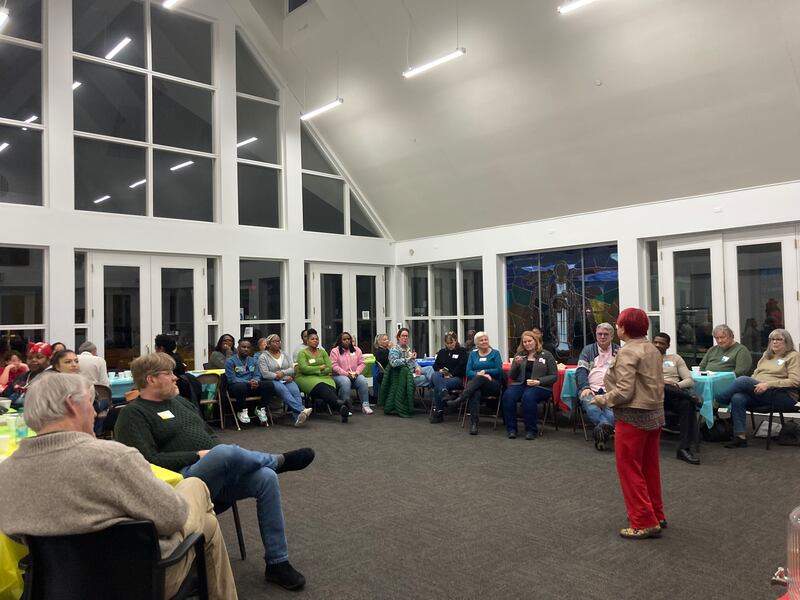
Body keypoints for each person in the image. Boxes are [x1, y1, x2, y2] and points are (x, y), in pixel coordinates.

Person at [0, 372, 237, 599]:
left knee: (204, 517)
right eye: (91, 403)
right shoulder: (113, 459)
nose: (95, 412)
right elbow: (172, 518)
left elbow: (14, 534)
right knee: (197, 495)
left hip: (53, 585)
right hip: (138, 581)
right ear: (72, 405)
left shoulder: (7, 472)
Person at [115, 353, 312, 592]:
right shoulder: (132, 414)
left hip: (215, 474)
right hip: (180, 483)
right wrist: (196, 456)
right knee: (222, 453)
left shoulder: (181, 403)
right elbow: (147, 461)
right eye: (169, 373)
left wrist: (214, 454)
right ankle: (276, 460)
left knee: (265, 478)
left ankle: (277, 562)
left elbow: (209, 435)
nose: (176, 378)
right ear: (151, 379)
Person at [591, 308, 665, 539]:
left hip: (632, 417)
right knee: (649, 468)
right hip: (654, 414)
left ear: (626, 327)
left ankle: (643, 521)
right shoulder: (652, 348)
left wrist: (602, 399)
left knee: (630, 470)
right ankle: (656, 514)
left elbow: (624, 390)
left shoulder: (627, 352)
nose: (617, 326)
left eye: (619, 323)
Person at [714, 328, 800, 448]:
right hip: (760, 392)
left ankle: (718, 400)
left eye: (779, 339)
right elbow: (756, 374)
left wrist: (768, 384)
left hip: (782, 395)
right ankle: (740, 437)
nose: (775, 342)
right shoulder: (767, 355)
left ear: (787, 342)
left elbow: (795, 381)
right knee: (738, 397)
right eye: (772, 339)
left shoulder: (793, 356)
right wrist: (755, 383)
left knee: (743, 380)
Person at [652, 332, 701, 465]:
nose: (657, 345)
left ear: (667, 345)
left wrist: (675, 385)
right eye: (655, 342)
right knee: (661, 385)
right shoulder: (646, 359)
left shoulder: (675, 359)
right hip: (654, 397)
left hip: (673, 396)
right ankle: (691, 397)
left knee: (686, 405)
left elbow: (689, 381)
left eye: (661, 343)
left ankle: (684, 449)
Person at [502, 330, 557, 440]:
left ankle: (531, 430)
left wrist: (539, 381)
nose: (527, 344)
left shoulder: (546, 355)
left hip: (540, 386)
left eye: (529, 341)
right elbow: (512, 376)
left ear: (535, 341)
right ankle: (511, 429)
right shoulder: (519, 355)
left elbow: (554, 376)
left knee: (528, 396)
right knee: (508, 395)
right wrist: (516, 365)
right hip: (521, 384)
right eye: (525, 342)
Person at [575, 323, 620, 451]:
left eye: (605, 334)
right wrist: (585, 387)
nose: (602, 337)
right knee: (592, 407)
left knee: (611, 414)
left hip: (611, 390)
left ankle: (602, 433)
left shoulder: (618, 351)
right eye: (599, 334)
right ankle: (606, 428)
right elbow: (581, 371)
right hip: (590, 389)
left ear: (612, 336)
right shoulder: (588, 350)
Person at [449, 331, 503, 435]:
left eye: (485, 339)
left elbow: (499, 370)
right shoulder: (473, 355)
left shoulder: (495, 353)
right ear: (476, 344)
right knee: (475, 391)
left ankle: (461, 399)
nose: (484, 342)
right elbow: (468, 372)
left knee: (479, 379)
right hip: (476, 385)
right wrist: (480, 374)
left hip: (493, 384)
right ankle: (474, 424)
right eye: (481, 340)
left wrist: (485, 372)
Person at [257, 333, 312, 427]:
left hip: (286, 378)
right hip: (272, 381)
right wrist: (276, 375)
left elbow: (292, 368)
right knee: (284, 390)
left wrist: (283, 373)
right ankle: (301, 410)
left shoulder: (285, 354)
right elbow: (265, 373)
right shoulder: (263, 357)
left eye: (279, 341)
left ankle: (297, 418)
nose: (277, 343)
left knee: (295, 391)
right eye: (275, 341)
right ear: (268, 344)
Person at [296, 329, 349, 422]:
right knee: (322, 387)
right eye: (312, 339)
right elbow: (304, 369)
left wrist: (316, 370)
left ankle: (341, 407)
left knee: (330, 388)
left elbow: (329, 367)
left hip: (324, 377)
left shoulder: (323, 352)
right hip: (305, 378)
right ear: (307, 341)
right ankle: (341, 404)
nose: (315, 340)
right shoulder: (302, 353)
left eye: (317, 339)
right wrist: (320, 368)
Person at [225, 339, 274, 425]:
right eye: (243, 347)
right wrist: (248, 382)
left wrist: (255, 381)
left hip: (252, 385)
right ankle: (242, 411)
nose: (246, 349)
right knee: (241, 386)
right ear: (238, 348)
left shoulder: (253, 361)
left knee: (269, 385)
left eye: (248, 347)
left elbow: (257, 375)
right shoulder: (230, 361)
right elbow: (232, 379)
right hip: (237, 387)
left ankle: (260, 408)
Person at [429, 332, 468, 423]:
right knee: (435, 375)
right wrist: (440, 370)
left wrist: (451, 374)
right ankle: (444, 393)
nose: (450, 345)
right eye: (447, 343)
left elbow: (462, 366)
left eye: (452, 343)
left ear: (456, 341)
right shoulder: (442, 352)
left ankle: (439, 412)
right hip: (443, 377)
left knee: (436, 385)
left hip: (457, 378)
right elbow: (435, 365)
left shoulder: (462, 351)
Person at [329, 331, 372, 414]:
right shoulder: (335, 351)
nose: (347, 341)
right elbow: (334, 366)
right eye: (344, 339)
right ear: (340, 341)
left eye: (348, 339)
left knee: (362, 380)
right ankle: (345, 406)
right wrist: (346, 374)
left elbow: (362, 363)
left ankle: (365, 405)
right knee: (346, 381)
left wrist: (357, 372)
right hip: (339, 376)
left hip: (354, 374)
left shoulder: (357, 350)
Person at [1, 342, 52, 408]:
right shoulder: (22, 377)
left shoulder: (53, 378)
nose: (33, 360)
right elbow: (3, 396)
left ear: (48, 359)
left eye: (39, 357)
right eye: (30, 358)